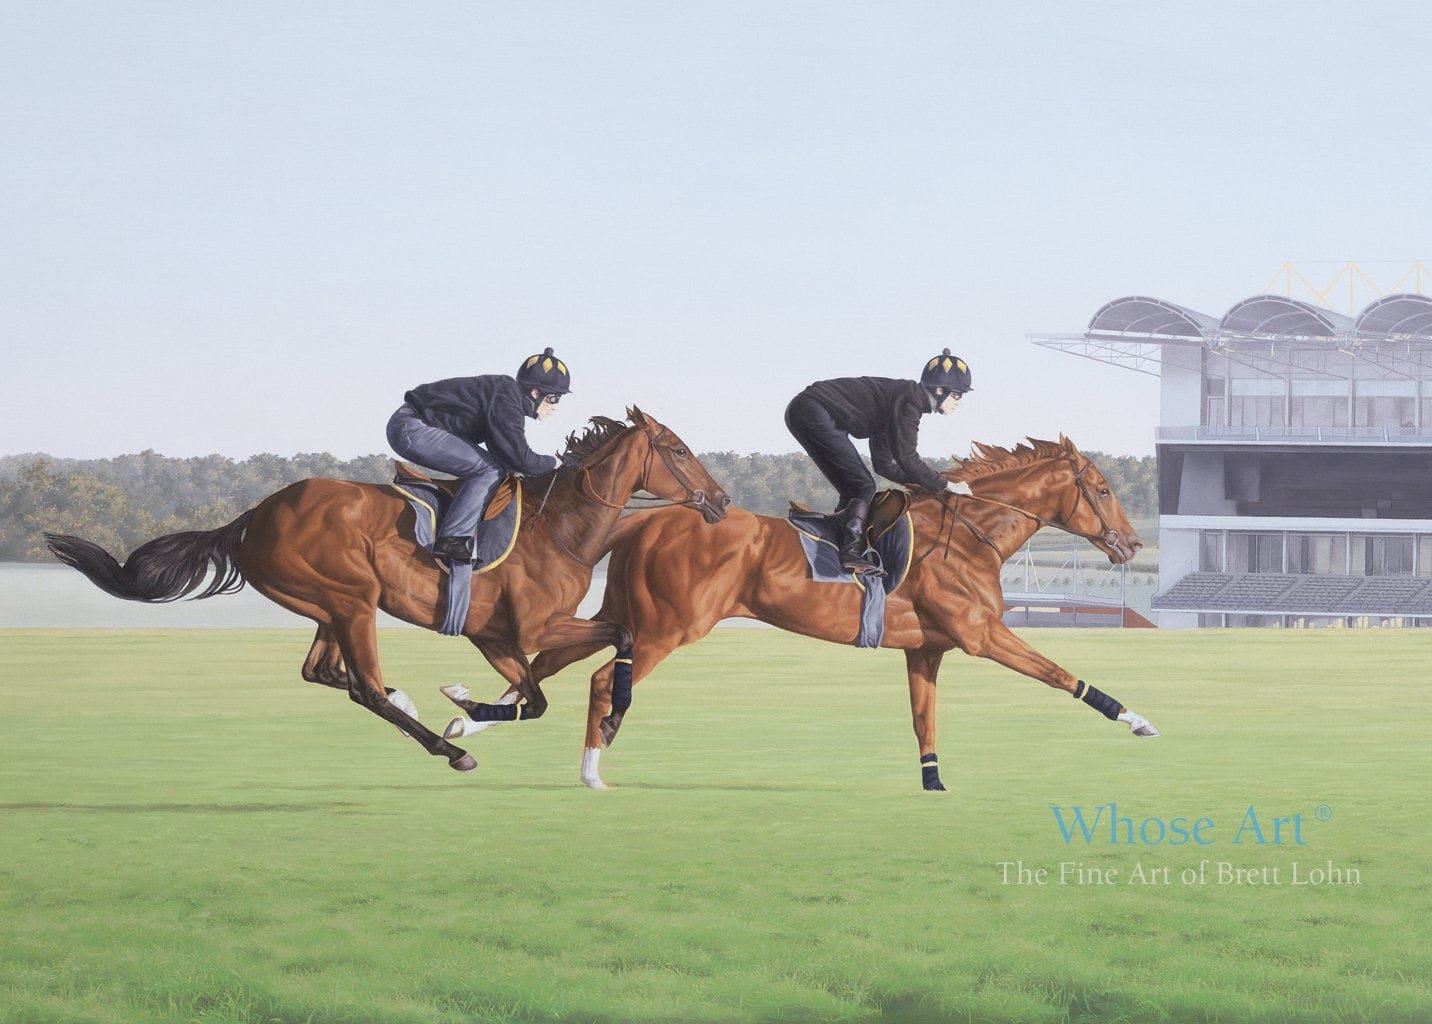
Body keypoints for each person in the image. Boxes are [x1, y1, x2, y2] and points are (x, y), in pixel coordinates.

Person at [785, 349, 973, 577]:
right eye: (957, 395)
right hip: (814, 411)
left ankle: (841, 541)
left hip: (806, 410)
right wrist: (942, 484)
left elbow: (884, 466)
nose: (959, 402)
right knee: (862, 486)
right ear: (940, 390)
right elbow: (907, 457)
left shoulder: (901, 400)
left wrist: (924, 483)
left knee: (855, 486)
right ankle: (850, 553)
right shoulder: (910, 403)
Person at [387, 347, 573, 568]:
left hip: (413, 426)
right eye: (554, 398)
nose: (555, 406)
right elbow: (522, 459)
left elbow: (506, 454)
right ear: (535, 393)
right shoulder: (507, 399)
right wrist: (555, 462)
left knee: (494, 468)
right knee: (489, 470)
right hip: (412, 429)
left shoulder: (506, 395)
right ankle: (452, 539)